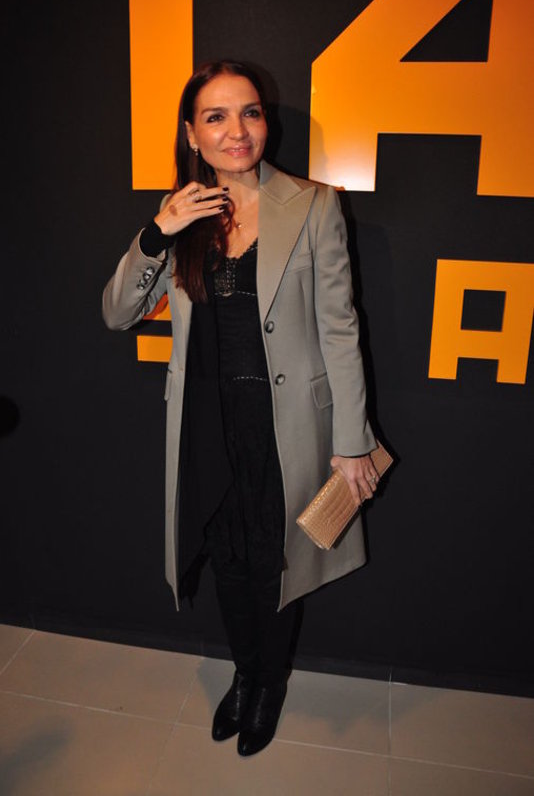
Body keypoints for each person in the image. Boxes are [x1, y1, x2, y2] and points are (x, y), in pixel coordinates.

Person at [102, 60, 379, 756]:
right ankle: (246, 672)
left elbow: (341, 331)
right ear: (192, 134)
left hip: (285, 429)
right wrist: (158, 231)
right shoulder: (182, 215)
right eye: (216, 117)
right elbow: (118, 312)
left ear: (265, 121)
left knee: (275, 564)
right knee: (227, 560)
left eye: (250, 112)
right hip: (206, 425)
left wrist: (352, 442)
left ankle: (268, 684)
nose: (237, 130)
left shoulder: (313, 205)